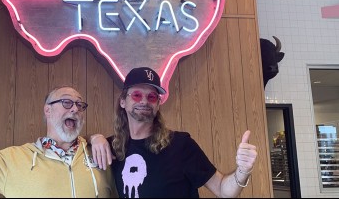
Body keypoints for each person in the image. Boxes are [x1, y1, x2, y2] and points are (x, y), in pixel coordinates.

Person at [0, 71, 117, 198]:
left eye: (80, 104)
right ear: (47, 111)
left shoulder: (100, 154)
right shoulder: (13, 161)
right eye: (66, 102)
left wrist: (95, 137)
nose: (75, 108)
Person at [91, 67, 258, 198]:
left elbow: (223, 190)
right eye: (136, 95)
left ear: (158, 104)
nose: (144, 101)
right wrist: (94, 138)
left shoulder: (181, 144)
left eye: (152, 97)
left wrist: (243, 171)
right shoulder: (111, 148)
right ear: (122, 101)